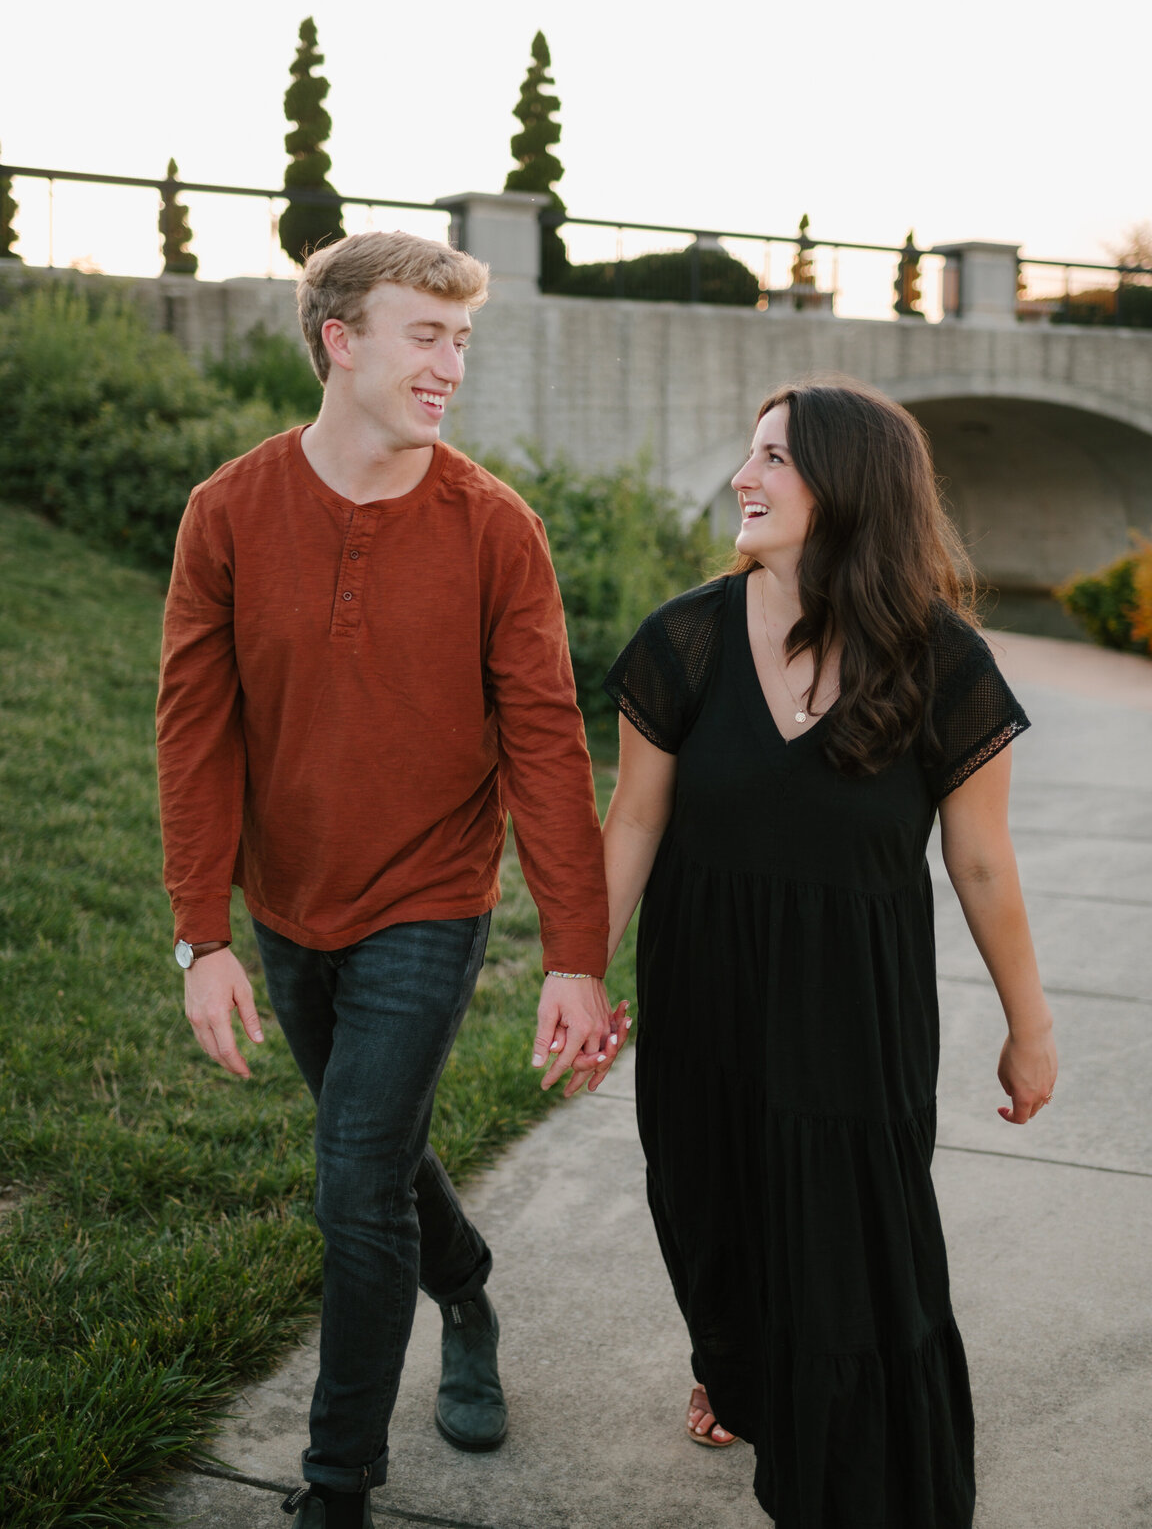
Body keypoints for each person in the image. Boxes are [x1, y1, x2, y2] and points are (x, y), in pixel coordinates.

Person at [156, 230, 621, 1529]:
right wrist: (203, 937)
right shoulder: (228, 514)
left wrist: (574, 955)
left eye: (463, 341)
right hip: (285, 897)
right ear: (339, 339)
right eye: (428, 336)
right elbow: (194, 731)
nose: (451, 367)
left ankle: (334, 1486)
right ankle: (465, 1284)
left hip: (431, 894)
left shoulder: (495, 531)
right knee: (381, 1152)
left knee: (354, 1174)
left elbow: (545, 741)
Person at [600, 378, 1058, 1528]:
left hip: (855, 1013)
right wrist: (578, 971)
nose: (746, 477)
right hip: (705, 995)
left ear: (852, 485)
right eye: (751, 453)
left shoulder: (941, 663)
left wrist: (1030, 1025)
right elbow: (637, 823)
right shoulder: (685, 639)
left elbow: (984, 862)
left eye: (777, 458)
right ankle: (740, 1369)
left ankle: (861, 1482)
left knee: (859, 1258)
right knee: (713, 1213)